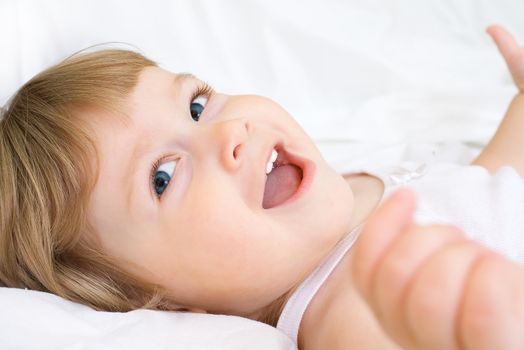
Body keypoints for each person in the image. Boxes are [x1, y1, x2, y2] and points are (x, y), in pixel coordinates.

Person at [0, 24, 523, 349]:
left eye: (197, 106)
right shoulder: (348, 313)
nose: (228, 134)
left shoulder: (356, 187)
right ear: (165, 305)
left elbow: (490, 181)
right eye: (163, 176)